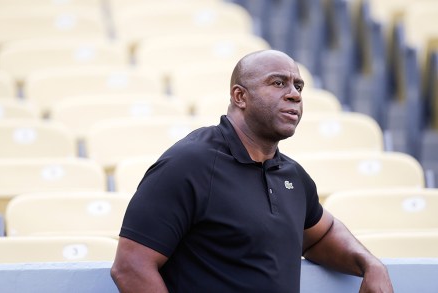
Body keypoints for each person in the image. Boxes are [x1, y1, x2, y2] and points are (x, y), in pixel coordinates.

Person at [111, 49, 394, 293]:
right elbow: (130, 267)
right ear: (240, 96)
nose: (294, 95)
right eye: (278, 83)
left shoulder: (292, 175)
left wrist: (370, 264)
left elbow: (321, 234)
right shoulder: (190, 163)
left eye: (299, 86)